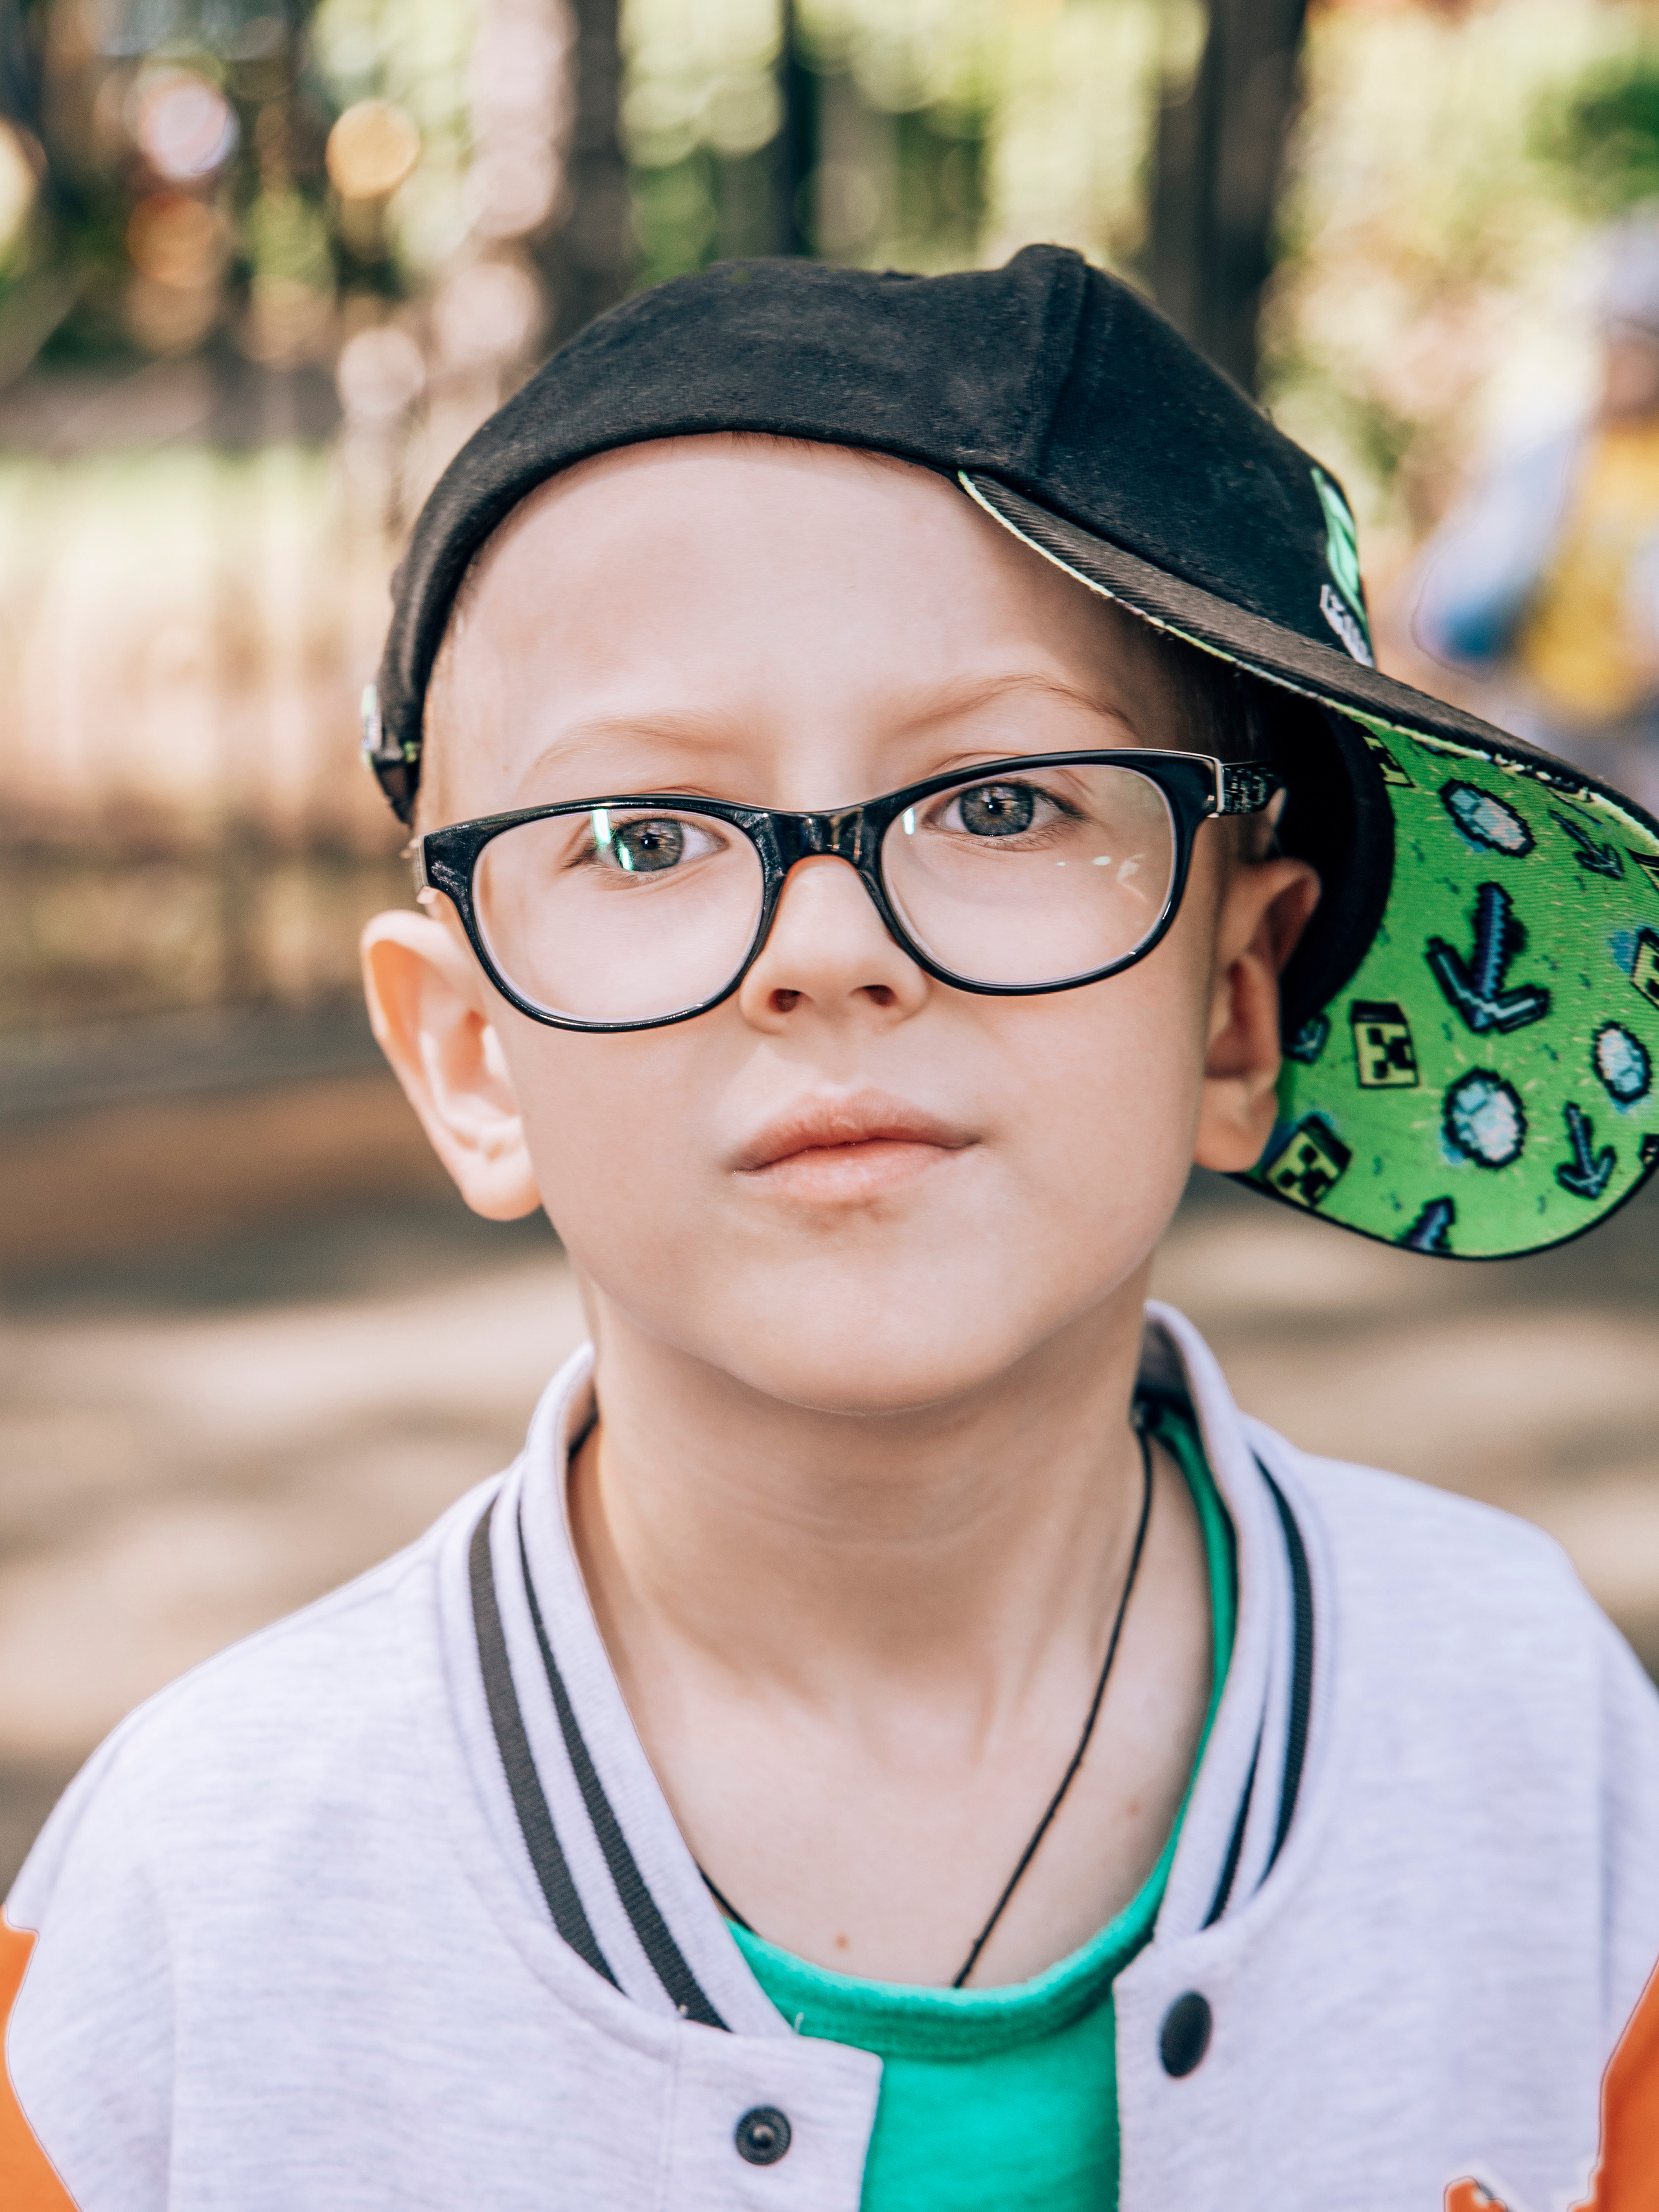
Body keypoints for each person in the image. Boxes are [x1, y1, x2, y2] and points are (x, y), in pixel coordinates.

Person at [6, 247, 1659, 2212]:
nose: (830, 947)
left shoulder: (1530, 1730)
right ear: (467, 1057)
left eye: (1003, 804)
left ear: (1237, 1003)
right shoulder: (204, 1896)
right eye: (640, 834)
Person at [1414, 217, 1659, 819]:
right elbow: (1448, 609)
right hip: (1539, 718)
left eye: (1636, 343)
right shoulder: (1543, 454)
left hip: (1639, 740)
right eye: (1611, 337)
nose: (1616, 358)